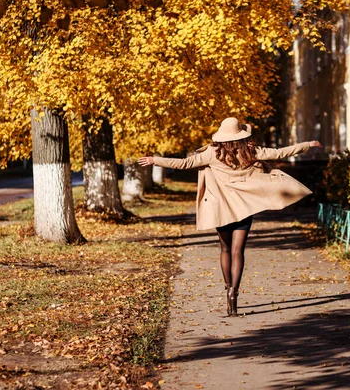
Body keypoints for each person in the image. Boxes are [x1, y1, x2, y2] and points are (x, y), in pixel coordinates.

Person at [138, 117, 322, 316]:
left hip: (222, 209)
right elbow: (281, 152)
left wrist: (155, 160)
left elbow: (184, 163)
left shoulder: (212, 153)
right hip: (244, 208)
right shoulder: (252, 151)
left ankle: (228, 289)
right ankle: (235, 292)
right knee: (238, 251)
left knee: (225, 249)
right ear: (241, 135)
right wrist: (307, 145)